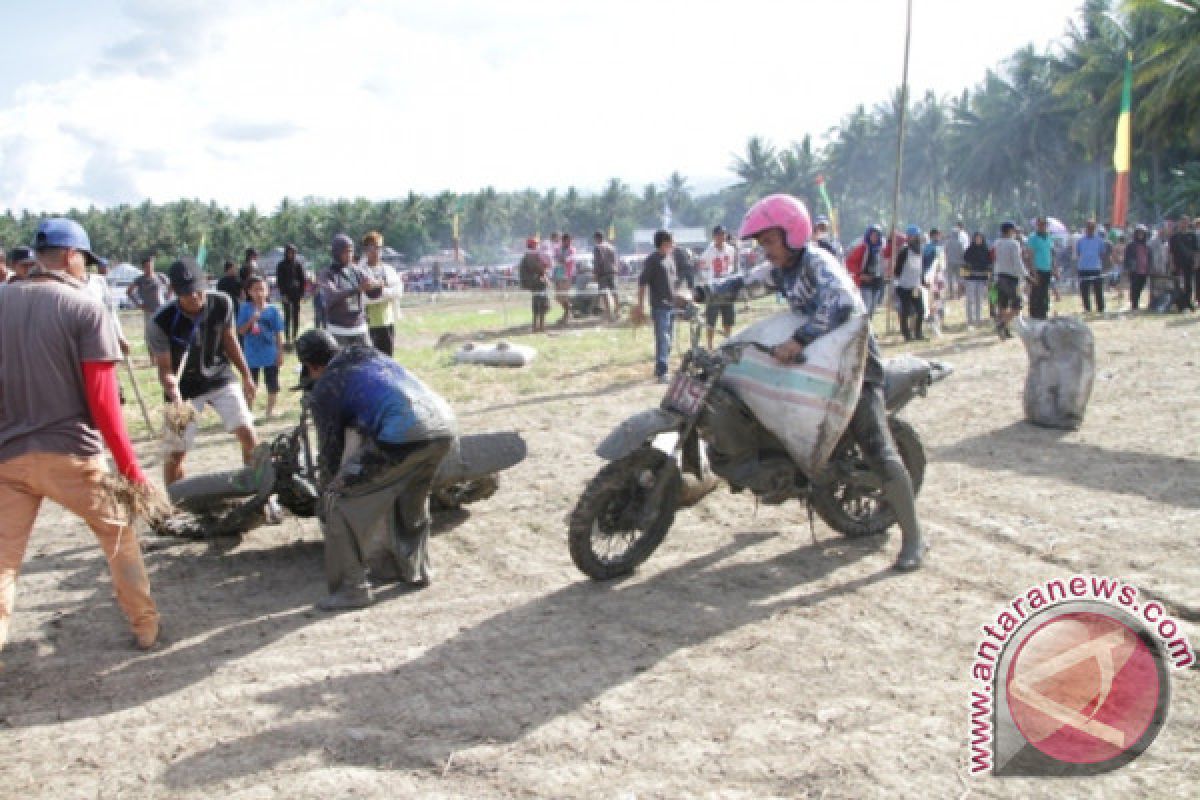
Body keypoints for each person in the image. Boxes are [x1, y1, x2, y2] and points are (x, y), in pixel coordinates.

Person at [712, 195, 924, 571]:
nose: (766, 250)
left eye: (770, 242)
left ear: (793, 235)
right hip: (814, 363)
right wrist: (700, 294)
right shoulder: (782, 268)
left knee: (876, 445)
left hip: (852, 366)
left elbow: (840, 302)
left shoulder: (817, 262)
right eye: (762, 243)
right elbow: (745, 283)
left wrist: (800, 339)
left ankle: (915, 539)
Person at [0, 218, 160, 652]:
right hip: (72, 455)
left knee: (4, 566)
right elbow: (105, 405)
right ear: (71, 256)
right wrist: (132, 471)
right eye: (85, 261)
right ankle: (145, 627)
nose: (86, 271)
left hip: (8, 458)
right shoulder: (83, 308)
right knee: (118, 535)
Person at [294, 329, 456, 610]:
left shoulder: (327, 385)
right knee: (411, 498)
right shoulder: (368, 355)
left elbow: (330, 454)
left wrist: (328, 489)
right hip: (444, 426)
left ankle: (352, 590)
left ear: (311, 366)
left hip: (403, 434)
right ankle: (416, 570)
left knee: (337, 502)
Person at [149, 259, 258, 485]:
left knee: (248, 434)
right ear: (175, 292)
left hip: (219, 376)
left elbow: (230, 340)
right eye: (188, 294)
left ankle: (256, 487)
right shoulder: (160, 322)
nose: (196, 297)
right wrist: (175, 395)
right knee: (176, 453)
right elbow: (166, 370)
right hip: (184, 388)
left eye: (199, 291)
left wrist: (246, 375)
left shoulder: (222, 303)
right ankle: (175, 502)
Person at [318, 233, 380, 347]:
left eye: (351, 251)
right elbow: (332, 296)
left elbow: (373, 293)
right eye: (346, 251)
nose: (350, 255)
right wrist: (357, 289)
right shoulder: (327, 273)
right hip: (338, 331)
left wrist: (376, 286)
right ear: (336, 252)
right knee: (341, 364)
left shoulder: (356, 270)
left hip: (360, 329)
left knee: (366, 363)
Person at [237, 275, 285, 419]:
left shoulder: (273, 310)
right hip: (252, 352)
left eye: (262, 289)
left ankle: (270, 411)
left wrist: (280, 352)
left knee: (272, 382)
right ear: (249, 292)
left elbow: (278, 332)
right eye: (255, 290)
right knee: (251, 382)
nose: (259, 293)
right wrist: (251, 321)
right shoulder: (245, 309)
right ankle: (248, 412)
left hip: (270, 352)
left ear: (268, 291)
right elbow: (240, 331)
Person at [635, 230, 678, 383]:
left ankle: (662, 365)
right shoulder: (652, 260)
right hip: (659, 307)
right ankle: (662, 371)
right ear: (664, 242)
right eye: (671, 241)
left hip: (672, 305)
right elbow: (642, 282)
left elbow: (673, 283)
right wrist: (640, 305)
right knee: (663, 339)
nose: (673, 244)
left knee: (670, 339)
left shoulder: (670, 258)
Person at [362, 231, 404, 356]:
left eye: (378, 247)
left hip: (387, 322)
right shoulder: (360, 271)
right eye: (371, 247)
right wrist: (383, 291)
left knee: (388, 358)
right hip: (368, 324)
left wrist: (379, 290)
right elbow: (364, 298)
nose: (375, 251)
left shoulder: (389, 270)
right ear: (365, 250)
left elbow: (398, 291)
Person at [696, 225, 739, 347]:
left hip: (727, 286)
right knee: (711, 318)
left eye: (723, 234)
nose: (721, 237)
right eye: (719, 235)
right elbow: (701, 269)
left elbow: (731, 265)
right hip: (713, 288)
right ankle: (710, 344)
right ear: (714, 237)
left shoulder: (731, 250)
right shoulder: (708, 253)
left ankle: (728, 341)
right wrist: (709, 277)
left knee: (728, 317)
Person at [992, 222, 1028, 338]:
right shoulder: (1014, 244)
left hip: (999, 276)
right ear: (1010, 231)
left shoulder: (996, 243)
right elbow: (1018, 262)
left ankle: (1005, 330)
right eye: (1014, 230)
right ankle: (1002, 324)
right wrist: (1026, 275)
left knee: (1003, 305)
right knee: (1017, 306)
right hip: (1011, 278)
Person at [127, 254, 171, 342]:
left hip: (161, 309)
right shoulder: (140, 279)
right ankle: (152, 354)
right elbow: (129, 292)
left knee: (164, 333)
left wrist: (168, 298)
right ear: (143, 267)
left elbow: (171, 286)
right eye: (147, 266)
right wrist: (138, 304)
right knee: (150, 335)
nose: (150, 268)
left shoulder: (160, 276)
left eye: (151, 265)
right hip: (149, 310)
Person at [894, 225, 927, 341]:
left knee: (921, 310)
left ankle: (918, 333)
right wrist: (899, 282)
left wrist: (922, 281)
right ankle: (906, 334)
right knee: (906, 311)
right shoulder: (904, 251)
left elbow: (920, 268)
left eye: (917, 236)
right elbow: (897, 269)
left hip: (915, 287)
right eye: (913, 236)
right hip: (904, 286)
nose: (916, 238)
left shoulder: (920, 250)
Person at [845, 225, 887, 316]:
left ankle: (869, 325)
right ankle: (864, 327)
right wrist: (860, 274)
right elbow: (850, 263)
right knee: (866, 307)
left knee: (873, 307)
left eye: (877, 235)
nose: (875, 238)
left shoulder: (882, 249)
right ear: (868, 235)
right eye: (873, 235)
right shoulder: (862, 248)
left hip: (877, 281)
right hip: (865, 281)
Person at [275, 244, 306, 348]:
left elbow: (302, 280)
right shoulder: (281, 265)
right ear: (286, 253)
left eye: (293, 253)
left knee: (296, 315)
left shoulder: (298, 264)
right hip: (286, 294)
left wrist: (302, 293)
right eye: (289, 252)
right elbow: (279, 281)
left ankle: (295, 336)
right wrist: (283, 294)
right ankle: (287, 338)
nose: (291, 255)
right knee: (287, 316)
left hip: (296, 293)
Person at [1026, 217, 1057, 320]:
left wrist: (1054, 268)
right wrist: (1033, 271)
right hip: (1037, 269)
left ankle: (1043, 313)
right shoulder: (1032, 238)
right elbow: (1030, 255)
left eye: (1044, 224)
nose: (1042, 227)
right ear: (1037, 225)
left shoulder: (1049, 237)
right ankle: (1034, 315)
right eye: (1040, 224)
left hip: (1047, 269)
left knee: (1044, 292)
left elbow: (1051, 254)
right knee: (1036, 293)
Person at [518, 237, 550, 332]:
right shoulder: (530, 255)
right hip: (536, 282)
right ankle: (540, 326)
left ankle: (537, 326)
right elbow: (538, 268)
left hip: (533, 282)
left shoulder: (528, 255)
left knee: (537, 303)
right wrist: (544, 267)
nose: (538, 246)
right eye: (536, 244)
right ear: (533, 245)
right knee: (541, 304)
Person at [1075, 220, 1107, 313]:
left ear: (1095, 228)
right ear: (1086, 228)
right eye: (1088, 227)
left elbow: (1102, 254)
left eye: (1092, 227)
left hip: (1096, 268)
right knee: (1084, 291)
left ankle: (1101, 308)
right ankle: (1087, 308)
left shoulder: (1099, 241)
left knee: (1098, 290)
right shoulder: (1080, 241)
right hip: (1083, 268)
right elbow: (1078, 253)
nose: (1090, 229)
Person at [962, 232, 993, 327]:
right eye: (977, 238)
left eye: (980, 238)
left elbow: (989, 265)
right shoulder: (969, 251)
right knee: (970, 300)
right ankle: (970, 319)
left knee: (979, 300)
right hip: (970, 279)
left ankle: (978, 319)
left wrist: (989, 278)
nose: (978, 240)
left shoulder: (986, 251)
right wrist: (963, 279)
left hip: (982, 278)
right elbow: (964, 264)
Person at [1168, 217, 1198, 311]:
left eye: (1186, 222)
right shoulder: (1174, 237)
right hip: (1177, 264)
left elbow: (1196, 251)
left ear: (1188, 223)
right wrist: (1171, 263)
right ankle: (1180, 303)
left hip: (1189, 263)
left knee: (1188, 284)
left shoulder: (1192, 236)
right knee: (1177, 284)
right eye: (1182, 222)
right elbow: (1170, 252)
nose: (1184, 224)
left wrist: (1197, 262)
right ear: (1179, 223)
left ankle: (1188, 302)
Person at [922, 228, 946, 335]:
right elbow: (925, 263)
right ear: (932, 236)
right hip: (931, 278)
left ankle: (940, 323)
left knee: (939, 301)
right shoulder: (927, 248)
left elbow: (943, 263)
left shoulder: (940, 248)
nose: (938, 237)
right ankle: (933, 323)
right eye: (936, 235)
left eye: (939, 235)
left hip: (939, 277)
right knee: (933, 301)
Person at [1124, 225, 1153, 311]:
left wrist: (1150, 268)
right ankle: (1134, 305)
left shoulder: (1147, 246)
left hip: (1144, 270)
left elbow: (1150, 258)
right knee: (1134, 287)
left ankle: (1136, 302)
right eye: (1139, 233)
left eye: (1142, 233)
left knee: (1141, 287)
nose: (1140, 234)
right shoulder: (1131, 245)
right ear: (1136, 234)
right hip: (1134, 270)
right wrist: (1127, 268)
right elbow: (1127, 257)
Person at [592, 231, 619, 322]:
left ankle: (608, 313)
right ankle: (617, 310)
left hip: (603, 272)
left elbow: (598, 261)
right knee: (614, 292)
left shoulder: (597, 248)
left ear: (597, 238)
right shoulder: (611, 247)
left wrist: (596, 274)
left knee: (604, 293)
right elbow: (615, 260)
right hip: (613, 271)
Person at [552, 233, 576, 325]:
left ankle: (567, 314)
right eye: (568, 240)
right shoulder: (558, 249)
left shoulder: (572, 250)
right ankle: (569, 311)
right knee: (558, 297)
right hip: (558, 275)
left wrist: (561, 259)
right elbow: (555, 259)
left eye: (570, 240)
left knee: (564, 296)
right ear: (564, 240)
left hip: (567, 275)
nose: (570, 242)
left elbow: (566, 260)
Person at [944, 219, 968, 301]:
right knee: (960, 279)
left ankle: (951, 295)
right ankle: (959, 295)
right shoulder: (960, 243)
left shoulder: (948, 242)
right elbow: (962, 253)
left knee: (950, 279)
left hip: (950, 262)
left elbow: (945, 251)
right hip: (959, 263)